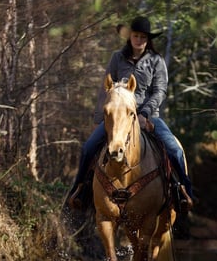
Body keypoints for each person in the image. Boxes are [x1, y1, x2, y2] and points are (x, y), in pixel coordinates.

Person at [66, 15, 194, 213]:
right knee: (89, 147)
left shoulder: (156, 61)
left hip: (150, 116)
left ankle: (183, 193)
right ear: (130, 37)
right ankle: (79, 191)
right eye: (136, 36)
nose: (139, 40)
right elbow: (105, 90)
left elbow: (160, 91)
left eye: (143, 37)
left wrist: (144, 113)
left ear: (148, 39)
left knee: (174, 150)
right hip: (118, 117)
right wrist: (100, 119)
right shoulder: (117, 58)